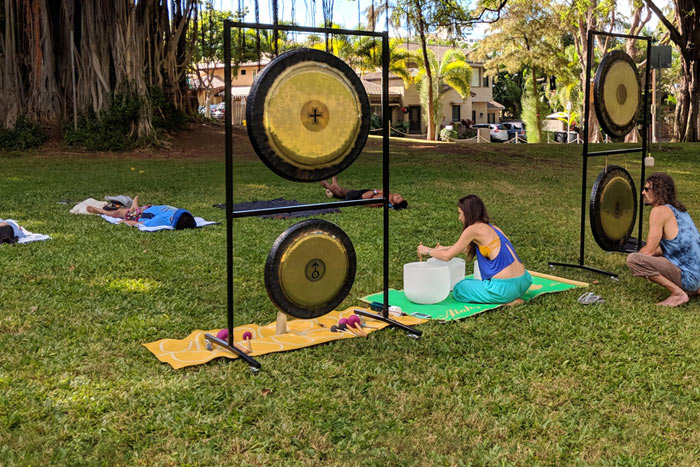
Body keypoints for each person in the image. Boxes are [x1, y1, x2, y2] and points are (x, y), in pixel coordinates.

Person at [417, 194, 532, 304]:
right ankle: (510, 296)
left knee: (460, 288)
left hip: (504, 289)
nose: (459, 218)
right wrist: (443, 248)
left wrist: (426, 251)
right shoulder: (494, 228)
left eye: (460, 213)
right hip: (524, 281)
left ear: (468, 213)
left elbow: (447, 257)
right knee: (471, 283)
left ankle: (507, 302)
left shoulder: (473, 229)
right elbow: (464, 248)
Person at [627, 173, 700, 307]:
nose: (643, 192)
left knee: (635, 260)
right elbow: (673, 246)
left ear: (659, 190)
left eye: (647, 189)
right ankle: (694, 289)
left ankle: (678, 294)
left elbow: (648, 252)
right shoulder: (680, 210)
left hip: (689, 277)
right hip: (697, 274)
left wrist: (642, 255)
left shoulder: (659, 211)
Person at [87, 196, 196, 229]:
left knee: (118, 212)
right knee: (131, 210)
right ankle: (134, 206)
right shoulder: (170, 215)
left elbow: (139, 223)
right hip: (145, 210)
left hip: (142, 212)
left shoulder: (160, 220)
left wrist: (125, 221)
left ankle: (99, 211)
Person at [320, 176, 408, 210]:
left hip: (359, 196)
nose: (399, 195)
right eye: (400, 196)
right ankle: (334, 182)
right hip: (364, 192)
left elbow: (365, 200)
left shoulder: (382, 200)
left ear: (393, 203)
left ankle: (326, 184)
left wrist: (375, 191)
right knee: (343, 191)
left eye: (398, 198)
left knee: (342, 193)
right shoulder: (388, 195)